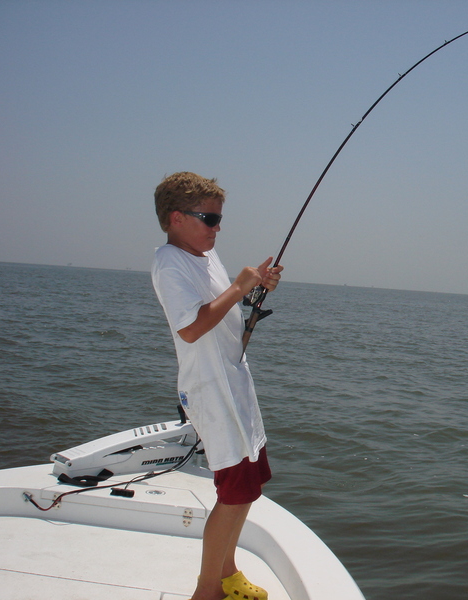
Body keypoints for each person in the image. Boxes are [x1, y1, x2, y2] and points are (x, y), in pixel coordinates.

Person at [151, 171, 283, 600]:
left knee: (250, 483)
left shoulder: (207, 256)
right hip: (212, 391)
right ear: (176, 218)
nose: (216, 227)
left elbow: (217, 307)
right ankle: (206, 592)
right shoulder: (169, 262)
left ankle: (227, 574)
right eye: (208, 218)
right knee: (234, 490)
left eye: (218, 218)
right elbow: (190, 328)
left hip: (235, 385)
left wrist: (251, 290)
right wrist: (240, 284)